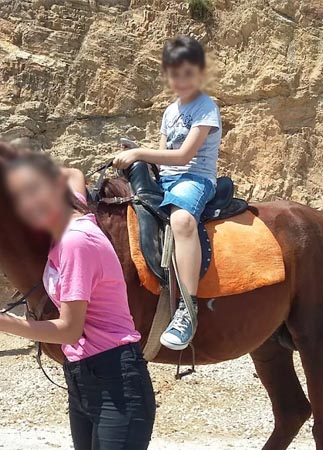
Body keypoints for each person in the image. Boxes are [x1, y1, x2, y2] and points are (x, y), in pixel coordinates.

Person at [0, 152, 155, 450]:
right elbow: (73, 171)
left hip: (116, 385)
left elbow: (69, 330)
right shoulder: (70, 220)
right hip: (82, 380)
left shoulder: (75, 241)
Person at [112, 35, 221, 351]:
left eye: (188, 73)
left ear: (200, 74)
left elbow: (184, 156)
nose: (181, 80)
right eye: (175, 74)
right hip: (168, 181)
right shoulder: (169, 112)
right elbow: (162, 155)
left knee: (183, 222)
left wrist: (140, 153)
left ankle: (188, 309)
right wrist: (136, 157)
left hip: (195, 179)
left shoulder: (206, 108)